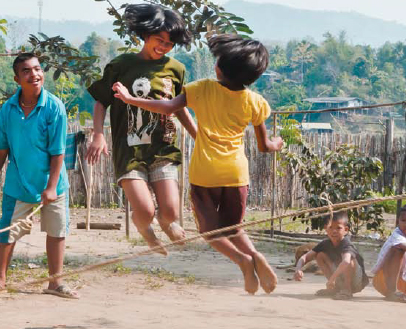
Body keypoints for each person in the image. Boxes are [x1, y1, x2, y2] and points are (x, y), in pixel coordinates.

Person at [112, 34, 283, 294]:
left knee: (210, 233)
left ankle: (243, 261)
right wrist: (278, 143)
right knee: (234, 228)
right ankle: (256, 255)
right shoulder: (256, 102)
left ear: (219, 68)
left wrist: (130, 99)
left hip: (206, 173)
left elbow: (168, 107)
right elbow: (264, 145)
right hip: (237, 173)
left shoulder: (202, 88)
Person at [86, 4, 197, 254]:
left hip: (164, 149)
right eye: (159, 40)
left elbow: (177, 107)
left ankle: (166, 224)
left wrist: (198, 136)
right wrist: (99, 135)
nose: (163, 47)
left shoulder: (176, 69)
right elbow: (101, 101)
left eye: (169, 44)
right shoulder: (121, 65)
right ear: (145, 35)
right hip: (130, 152)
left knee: (170, 211)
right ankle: (145, 229)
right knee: (145, 211)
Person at [0, 52, 77, 298]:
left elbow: (58, 153)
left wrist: (52, 188)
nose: (34, 74)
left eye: (37, 69)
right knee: (7, 231)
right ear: (17, 79)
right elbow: (0, 149)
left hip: (52, 184)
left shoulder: (54, 107)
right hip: (19, 184)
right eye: (26, 70)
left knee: (57, 231)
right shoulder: (9, 109)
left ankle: (55, 283)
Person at [293, 211, 370, 300]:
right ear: (326, 229)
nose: (334, 231)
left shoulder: (346, 244)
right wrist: (298, 269)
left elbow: (346, 262)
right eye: (330, 227)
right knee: (320, 255)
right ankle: (335, 289)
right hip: (338, 277)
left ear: (346, 230)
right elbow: (305, 257)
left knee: (350, 260)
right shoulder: (325, 243)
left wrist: (332, 279)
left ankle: (347, 290)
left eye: (338, 228)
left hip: (356, 282)